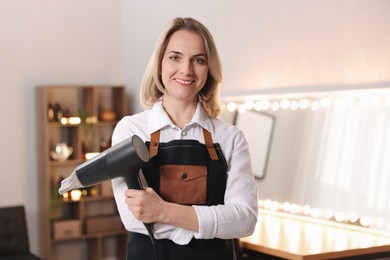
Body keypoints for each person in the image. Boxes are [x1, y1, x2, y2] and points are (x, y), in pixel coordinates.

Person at [111, 17, 258, 260]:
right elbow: (133, 218)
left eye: (198, 60)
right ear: (159, 64)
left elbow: (244, 220)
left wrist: (162, 211)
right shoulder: (130, 130)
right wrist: (210, 225)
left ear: (209, 68)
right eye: (175, 57)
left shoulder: (231, 138)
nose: (186, 70)